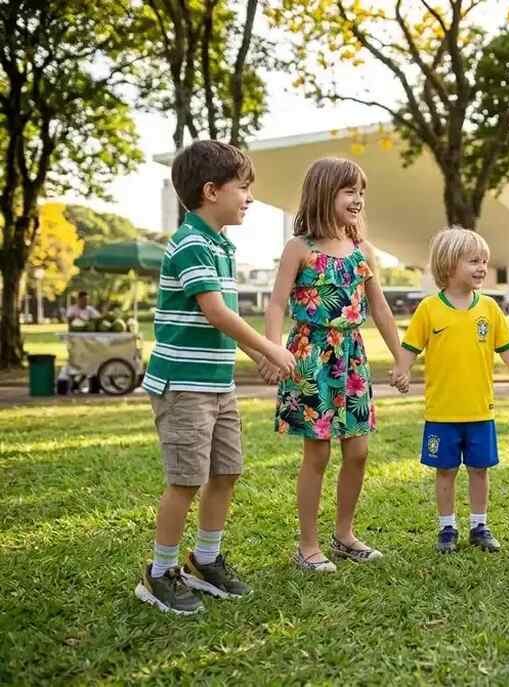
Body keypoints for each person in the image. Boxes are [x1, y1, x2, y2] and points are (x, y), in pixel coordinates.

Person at [136, 140, 297, 615]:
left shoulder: (221, 245)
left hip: (216, 384)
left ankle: (205, 560)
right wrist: (269, 346)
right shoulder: (189, 244)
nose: (249, 197)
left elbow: (221, 323)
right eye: (243, 188)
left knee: (226, 471)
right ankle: (161, 571)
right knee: (185, 480)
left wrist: (258, 357)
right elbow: (216, 312)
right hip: (184, 387)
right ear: (211, 191)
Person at [265, 157, 407, 573]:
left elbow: (379, 307)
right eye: (350, 191)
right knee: (318, 453)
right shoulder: (300, 249)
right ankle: (307, 545)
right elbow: (275, 303)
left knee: (358, 450)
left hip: (352, 356)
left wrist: (401, 357)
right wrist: (273, 351)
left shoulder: (363, 250)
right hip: (311, 356)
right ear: (325, 194)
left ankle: (344, 535)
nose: (358, 199)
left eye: (361, 191)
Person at [394, 228, 509, 554]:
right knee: (445, 471)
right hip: (442, 411)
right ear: (449, 264)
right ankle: (447, 528)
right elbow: (410, 347)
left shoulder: (490, 309)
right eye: (473, 261)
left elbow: (507, 348)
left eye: (484, 261)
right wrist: (401, 370)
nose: (482, 267)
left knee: (479, 469)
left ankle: (479, 525)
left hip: (480, 410)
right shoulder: (429, 309)